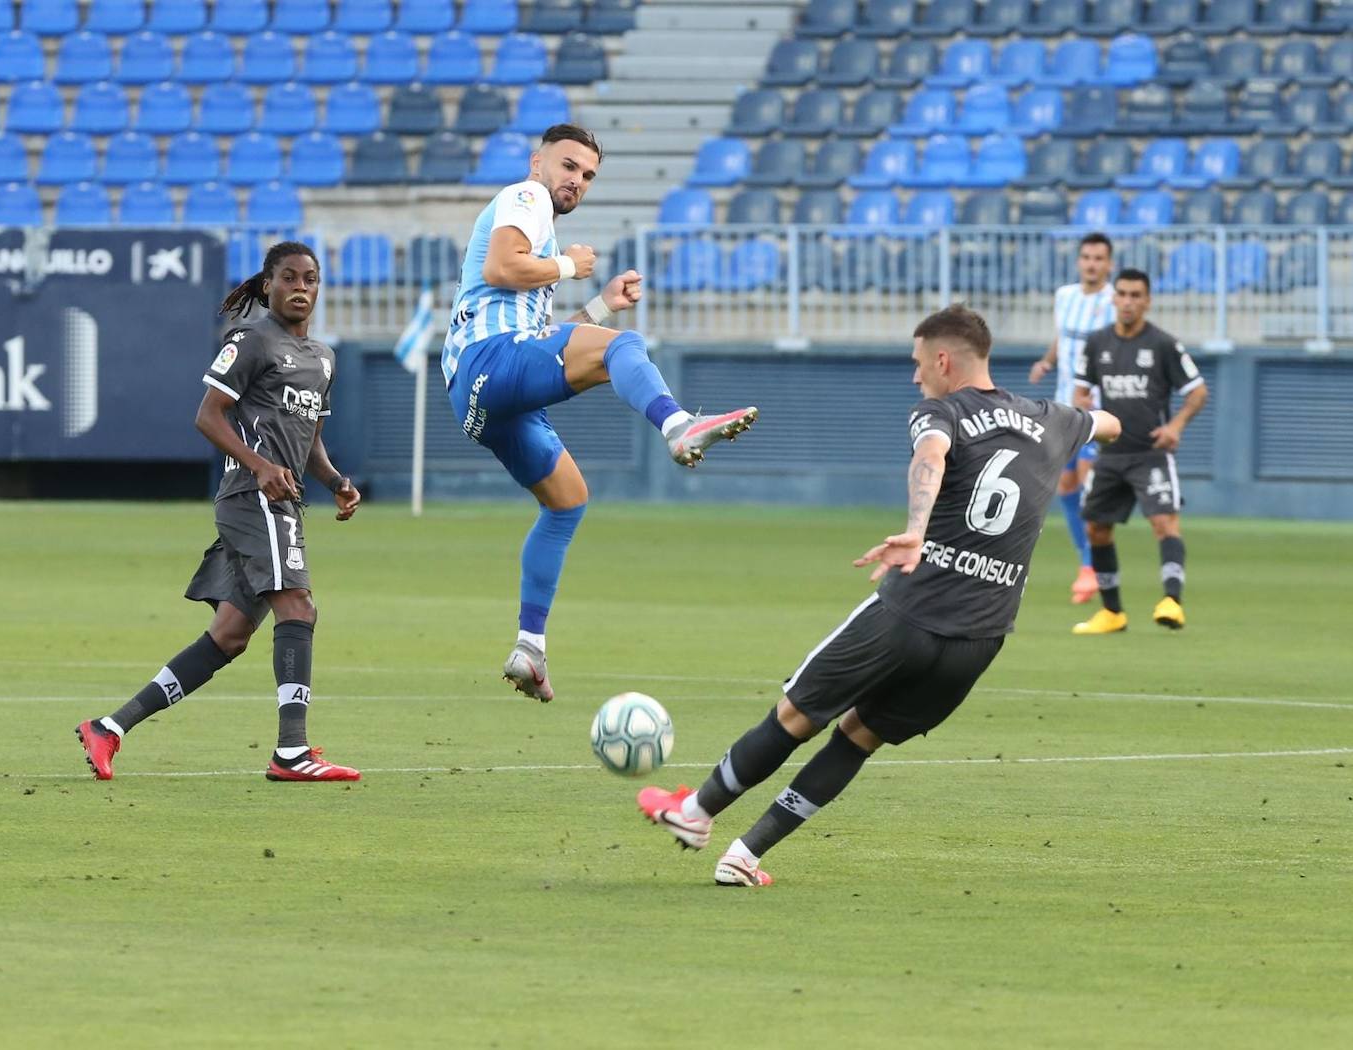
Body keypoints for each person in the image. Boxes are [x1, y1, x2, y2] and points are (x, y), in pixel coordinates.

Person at [637, 305, 1121, 886]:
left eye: (919, 364)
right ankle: (746, 855)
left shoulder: (940, 411)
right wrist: (1111, 422)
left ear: (944, 361)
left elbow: (932, 455)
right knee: (859, 738)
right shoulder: (1054, 419)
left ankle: (694, 814)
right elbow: (1108, 424)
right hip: (982, 635)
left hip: (910, 613)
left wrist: (916, 531)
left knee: (795, 717)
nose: (916, 377)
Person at [443, 123, 757, 703]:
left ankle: (529, 647)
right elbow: (500, 270)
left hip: (485, 396)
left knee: (567, 503)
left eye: (587, 175)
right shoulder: (526, 197)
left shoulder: (538, 229)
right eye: (568, 166)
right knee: (625, 347)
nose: (576, 181)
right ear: (538, 162)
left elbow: (547, 342)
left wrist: (601, 303)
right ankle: (677, 425)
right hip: (487, 361)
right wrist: (567, 266)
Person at [75, 242, 364, 783]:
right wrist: (258, 465)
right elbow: (207, 417)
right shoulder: (252, 341)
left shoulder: (325, 358)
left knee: (229, 635)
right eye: (289, 278)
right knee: (298, 606)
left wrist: (337, 482)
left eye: (311, 279)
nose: (301, 287)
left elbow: (311, 440)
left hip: (282, 498)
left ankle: (109, 727)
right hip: (252, 497)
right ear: (269, 285)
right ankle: (292, 752)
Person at [1071, 268, 1208, 635]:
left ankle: (1172, 601)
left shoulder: (1163, 344)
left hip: (1151, 454)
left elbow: (1197, 391)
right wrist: (1084, 413)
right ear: (1113, 299)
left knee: (1164, 524)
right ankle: (1112, 612)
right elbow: (1080, 392)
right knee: (1097, 529)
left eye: (1136, 295)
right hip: (1110, 455)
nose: (1129, 302)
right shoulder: (1096, 343)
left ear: (1147, 301)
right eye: (1123, 294)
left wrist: (1175, 427)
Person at [1029, 232, 1116, 604]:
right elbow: (1062, 337)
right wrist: (1048, 361)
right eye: (1086, 257)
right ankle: (1088, 563)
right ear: (1079, 261)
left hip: (1096, 410)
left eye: (1099, 258)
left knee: (1086, 484)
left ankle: (1090, 565)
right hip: (1063, 407)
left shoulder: (1115, 302)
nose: (1092, 264)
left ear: (1108, 264)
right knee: (1064, 487)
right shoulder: (1065, 297)